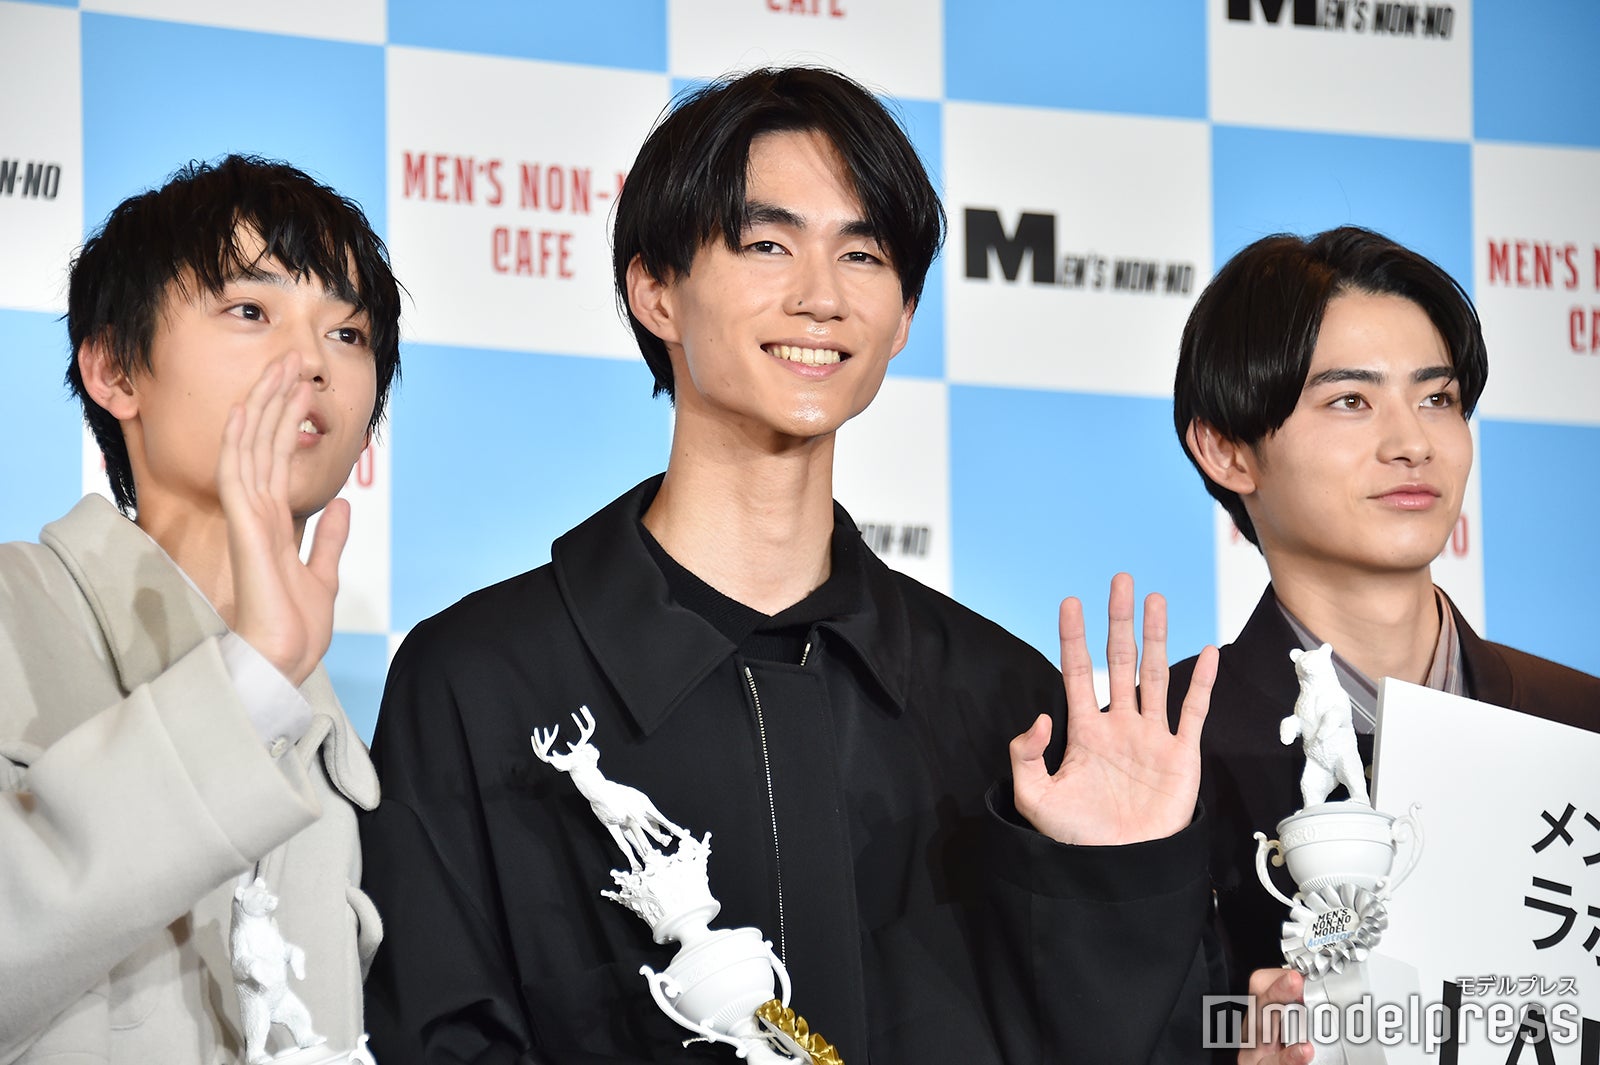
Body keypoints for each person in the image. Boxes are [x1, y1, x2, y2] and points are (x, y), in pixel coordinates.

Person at [361, 66, 1231, 1064]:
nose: (821, 297)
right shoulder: (479, 682)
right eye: (767, 245)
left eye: (862, 255)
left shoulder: (1003, 703)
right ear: (656, 291)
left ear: (903, 317)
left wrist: (1115, 893)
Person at [0, 155, 402, 1062]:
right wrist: (247, 685)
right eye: (251, 311)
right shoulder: (14, 616)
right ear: (114, 369)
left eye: (348, 333)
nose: (311, 361)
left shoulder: (345, 743)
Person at [1168, 226, 1600, 991]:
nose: (1413, 442)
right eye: (1351, 400)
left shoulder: (1579, 723)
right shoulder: (1163, 747)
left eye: (1438, 398)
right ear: (1227, 450)